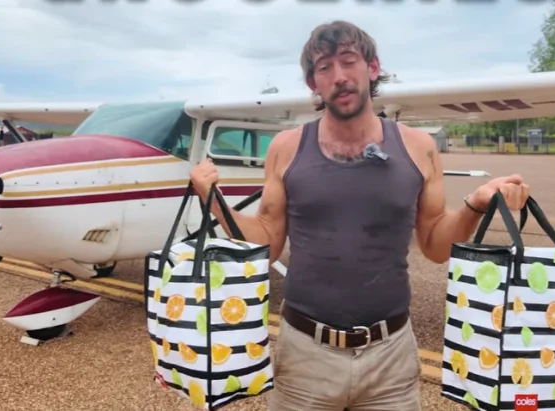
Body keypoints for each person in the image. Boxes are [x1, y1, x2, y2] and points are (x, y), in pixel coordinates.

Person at [189, 20, 530, 411]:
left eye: (348, 61)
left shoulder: (419, 148)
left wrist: (476, 203)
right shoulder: (285, 148)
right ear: (312, 84)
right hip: (304, 358)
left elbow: (436, 244)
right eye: (324, 68)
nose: (339, 76)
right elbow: (265, 243)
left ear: (371, 68)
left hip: (390, 359)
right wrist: (213, 199)